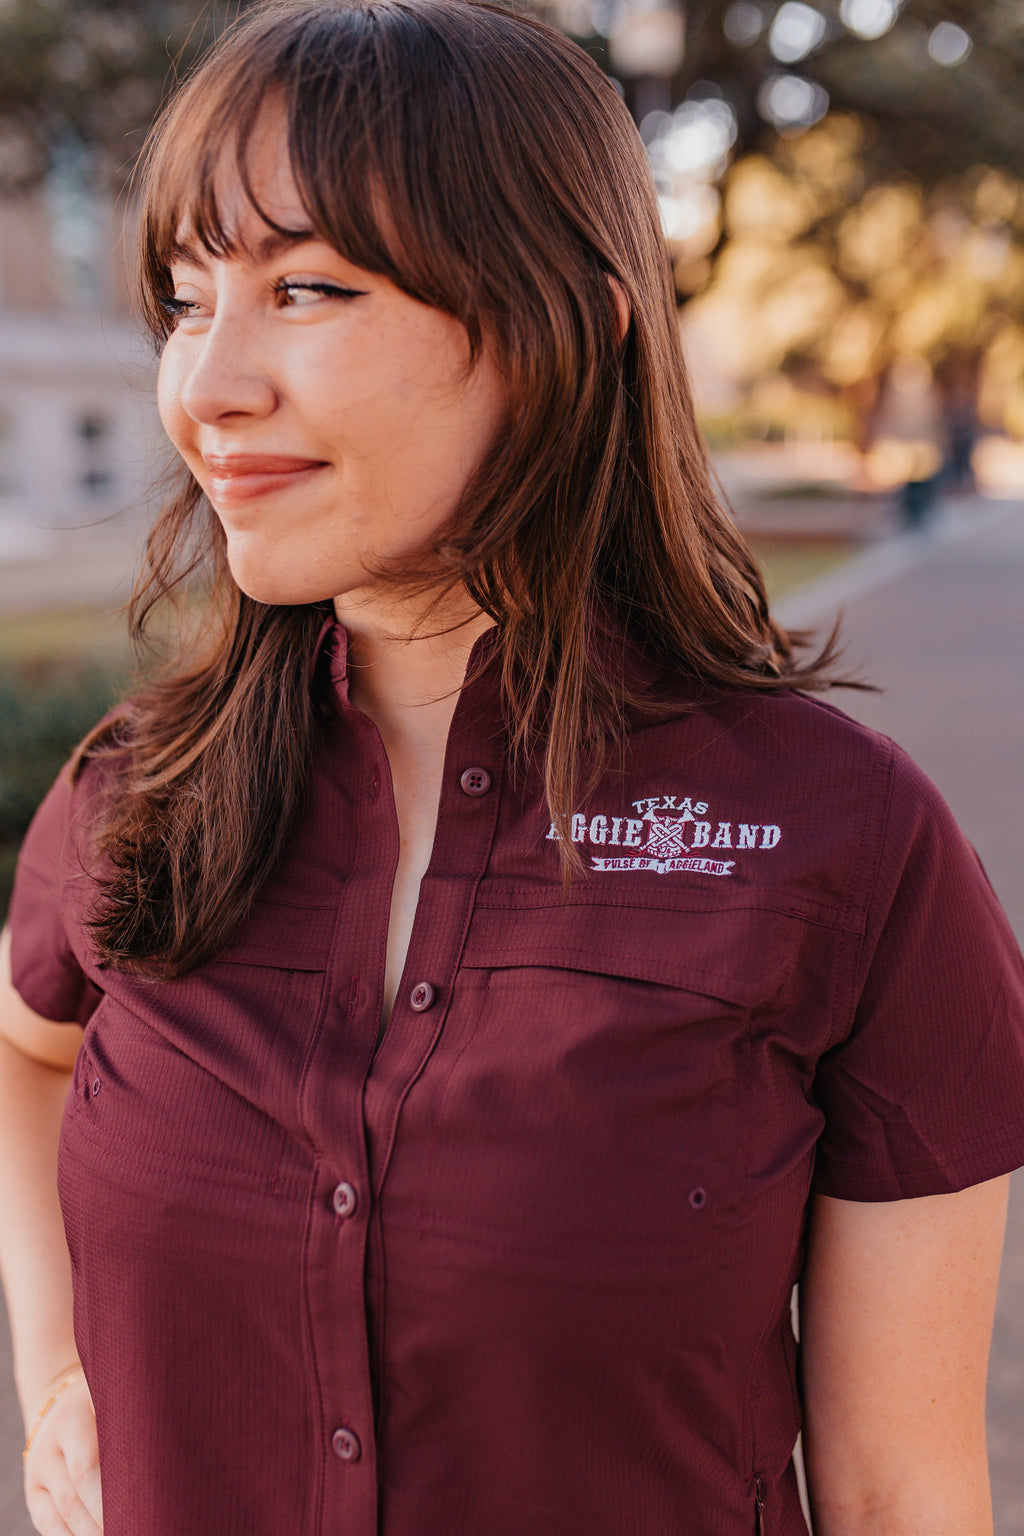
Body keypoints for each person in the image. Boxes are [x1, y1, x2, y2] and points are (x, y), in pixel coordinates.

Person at [2, 2, 1023, 1533]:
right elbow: (27, 1052)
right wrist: (62, 1373)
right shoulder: (135, 791)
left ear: (571, 324)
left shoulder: (845, 842)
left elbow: (896, 1496)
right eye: (183, 298)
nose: (206, 386)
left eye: (306, 287)